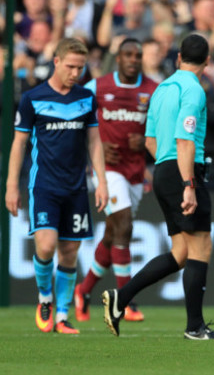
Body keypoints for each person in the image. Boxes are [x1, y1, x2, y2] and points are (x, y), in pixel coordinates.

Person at [101, 34, 214, 341]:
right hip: (184, 171)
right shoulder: (194, 91)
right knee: (201, 247)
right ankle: (195, 327)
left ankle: (122, 297)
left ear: (177, 59)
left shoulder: (160, 89)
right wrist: (187, 183)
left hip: (162, 168)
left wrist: (167, 167)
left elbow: (149, 140)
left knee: (181, 252)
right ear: (208, 62)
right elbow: (185, 139)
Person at [5, 37, 109, 334]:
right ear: (57, 62)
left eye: (81, 68)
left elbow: (94, 140)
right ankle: (45, 298)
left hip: (76, 188)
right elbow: (19, 143)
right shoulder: (32, 98)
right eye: (71, 67)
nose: (76, 73)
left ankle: (63, 316)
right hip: (44, 186)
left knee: (69, 253)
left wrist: (101, 181)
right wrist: (12, 186)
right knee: (47, 246)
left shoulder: (85, 99)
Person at [74, 38, 159, 323]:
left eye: (138, 55)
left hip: (135, 171)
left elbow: (161, 128)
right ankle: (126, 300)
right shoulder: (97, 87)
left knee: (113, 235)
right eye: (128, 55)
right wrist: (92, 147)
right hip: (106, 170)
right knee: (124, 224)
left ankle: (83, 291)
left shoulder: (152, 90)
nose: (133, 59)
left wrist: (147, 139)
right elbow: (74, 120)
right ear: (118, 58)